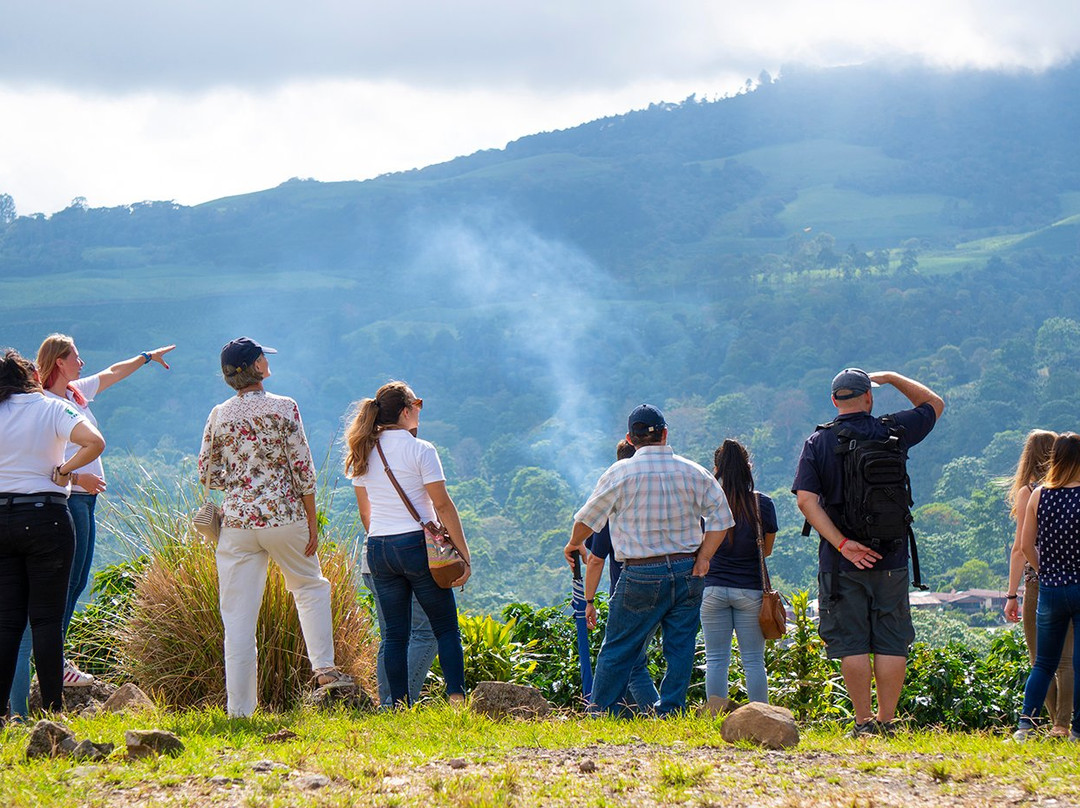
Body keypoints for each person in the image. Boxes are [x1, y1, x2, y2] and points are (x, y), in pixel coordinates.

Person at [7, 335, 175, 719]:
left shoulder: (74, 394)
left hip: (83, 502)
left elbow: (112, 373)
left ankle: (54, 658)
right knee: (58, 591)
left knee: (77, 582)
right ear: (59, 362)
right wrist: (75, 478)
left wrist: (147, 356)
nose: (82, 362)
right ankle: (51, 665)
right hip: (66, 500)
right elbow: (48, 459)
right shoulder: (47, 403)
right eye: (75, 357)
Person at [199, 337, 351, 718]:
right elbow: (303, 468)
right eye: (264, 357)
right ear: (258, 366)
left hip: (237, 524)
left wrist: (240, 482)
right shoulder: (285, 408)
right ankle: (324, 669)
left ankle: (240, 712)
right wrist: (311, 522)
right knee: (309, 586)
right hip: (283, 516)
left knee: (237, 620)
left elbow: (208, 472)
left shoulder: (218, 414)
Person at [794, 368, 943, 737]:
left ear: (834, 401)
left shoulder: (818, 442)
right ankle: (887, 721)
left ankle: (862, 723)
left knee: (852, 641)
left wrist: (843, 544)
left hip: (842, 562)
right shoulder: (892, 430)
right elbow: (934, 404)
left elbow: (806, 501)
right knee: (891, 640)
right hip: (891, 557)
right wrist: (891, 377)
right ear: (868, 397)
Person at [564, 403, 734, 716]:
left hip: (640, 572)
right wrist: (704, 558)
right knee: (680, 646)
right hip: (687, 569)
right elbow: (722, 518)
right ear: (665, 434)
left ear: (630, 439)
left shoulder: (619, 473)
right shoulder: (693, 471)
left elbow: (587, 519)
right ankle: (670, 709)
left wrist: (574, 543)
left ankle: (600, 709)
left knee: (619, 644)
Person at [344, 381, 471, 706]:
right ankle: (457, 699)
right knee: (444, 626)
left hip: (379, 548)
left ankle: (398, 706)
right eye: (417, 404)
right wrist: (463, 554)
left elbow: (365, 511)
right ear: (405, 411)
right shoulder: (421, 450)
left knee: (394, 634)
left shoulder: (363, 449)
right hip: (417, 546)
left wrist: (385, 537)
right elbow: (442, 505)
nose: (419, 409)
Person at [1, 349, 105, 718]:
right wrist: (64, 471)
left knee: (7, 621)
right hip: (46, 515)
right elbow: (94, 442)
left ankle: (3, 715)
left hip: (1, 517)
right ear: (30, 376)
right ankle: (52, 712)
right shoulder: (50, 408)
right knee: (46, 619)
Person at [582, 439, 660, 713]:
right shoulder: (659, 491)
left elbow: (595, 559)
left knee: (630, 658)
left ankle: (658, 713)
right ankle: (626, 714)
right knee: (642, 655)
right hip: (675, 582)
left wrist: (588, 601)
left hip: (630, 589)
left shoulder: (616, 497)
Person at [701, 439, 778, 710]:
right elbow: (765, 552)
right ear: (748, 467)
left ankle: (715, 715)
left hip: (712, 589)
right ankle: (761, 716)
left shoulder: (707, 506)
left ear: (717, 469)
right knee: (754, 660)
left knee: (716, 659)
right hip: (750, 590)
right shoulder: (762, 504)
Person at [1005, 429, 1072, 737]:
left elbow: (1021, 548)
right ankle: (1064, 724)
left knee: (1041, 660)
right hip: (1074, 579)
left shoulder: (1033, 492)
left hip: (1042, 584)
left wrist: (1011, 593)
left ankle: (1035, 724)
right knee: (1068, 661)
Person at [360, 546, 438, 706]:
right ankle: (398, 702)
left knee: (391, 637)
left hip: (373, 559)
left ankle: (388, 707)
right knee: (428, 633)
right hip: (408, 557)